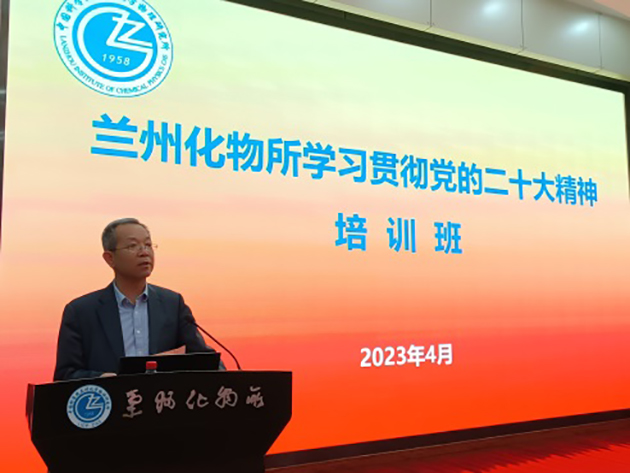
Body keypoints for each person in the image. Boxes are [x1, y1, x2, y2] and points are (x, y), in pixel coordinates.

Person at [54, 218, 218, 380]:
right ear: (110, 258)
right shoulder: (81, 312)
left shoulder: (172, 304)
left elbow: (205, 361)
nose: (144, 252)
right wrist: (102, 379)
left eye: (148, 245)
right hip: (110, 396)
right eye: (132, 246)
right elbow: (65, 375)